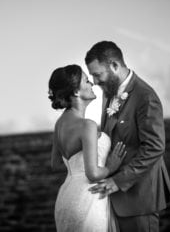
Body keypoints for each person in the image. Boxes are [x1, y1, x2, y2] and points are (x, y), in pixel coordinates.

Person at [85, 41, 170, 232]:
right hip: (113, 200)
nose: (94, 81)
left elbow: (154, 147)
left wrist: (118, 181)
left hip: (139, 199)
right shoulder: (109, 93)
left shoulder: (146, 97)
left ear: (114, 66)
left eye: (97, 74)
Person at [49, 64, 126, 232]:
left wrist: (76, 169)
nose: (91, 83)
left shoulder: (59, 124)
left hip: (66, 198)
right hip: (88, 198)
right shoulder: (87, 126)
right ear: (76, 92)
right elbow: (93, 174)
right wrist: (111, 166)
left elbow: (55, 164)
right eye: (86, 81)